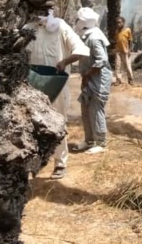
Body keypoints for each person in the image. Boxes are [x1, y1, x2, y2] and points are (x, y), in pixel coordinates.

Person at [25, 9, 89, 180]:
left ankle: (60, 163)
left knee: (58, 123)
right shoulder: (28, 28)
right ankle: (32, 165)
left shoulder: (60, 27)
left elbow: (80, 49)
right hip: (32, 86)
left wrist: (65, 61)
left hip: (57, 85)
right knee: (30, 126)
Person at [56, 7, 113, 154]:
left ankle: (101, 142)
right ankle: (89, 140)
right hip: (89, 77)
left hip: (98, 79)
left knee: (95, 109)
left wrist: (87, 75)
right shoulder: (86, 36)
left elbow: (101, 61)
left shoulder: (94, 38)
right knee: (86, 109)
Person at [113, 16, 135, 85]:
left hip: (125, 51)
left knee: (127, 66)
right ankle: (118, 79)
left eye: (119, 22)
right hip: (118, 51)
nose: (118, 24)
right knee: (118, 65)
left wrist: (129, 50)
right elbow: (117, 40)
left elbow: (130, 40)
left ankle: (130, 79)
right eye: (117, 23)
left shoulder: (127, 30)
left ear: (123, 23)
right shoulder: (117, 31)